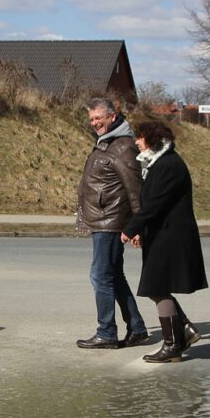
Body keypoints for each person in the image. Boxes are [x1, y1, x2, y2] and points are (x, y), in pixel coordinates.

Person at [121, 119, 207, 364]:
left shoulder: (168, 165)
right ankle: (184, 331)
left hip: (171, 237)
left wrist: (131, 229)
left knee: (156, 286)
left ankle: (172, 344)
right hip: (163, 235)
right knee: (155, 286)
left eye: (140, 137)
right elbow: (153, 205)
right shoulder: (161, 162)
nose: (137, 142)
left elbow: (155, 205)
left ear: (151, 139)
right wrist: (141, 231)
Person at [75, 98, 149, 350]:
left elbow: (135, 189)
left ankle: (106, 332)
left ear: (113, 116)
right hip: (104, 219)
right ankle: (137, 328)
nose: (95, 123)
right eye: (92, 119)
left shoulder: (123, 146)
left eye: (99, 118)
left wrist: (138, 226)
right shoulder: (108, 143)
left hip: (111, 221)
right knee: (114, 276)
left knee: (100, 276)